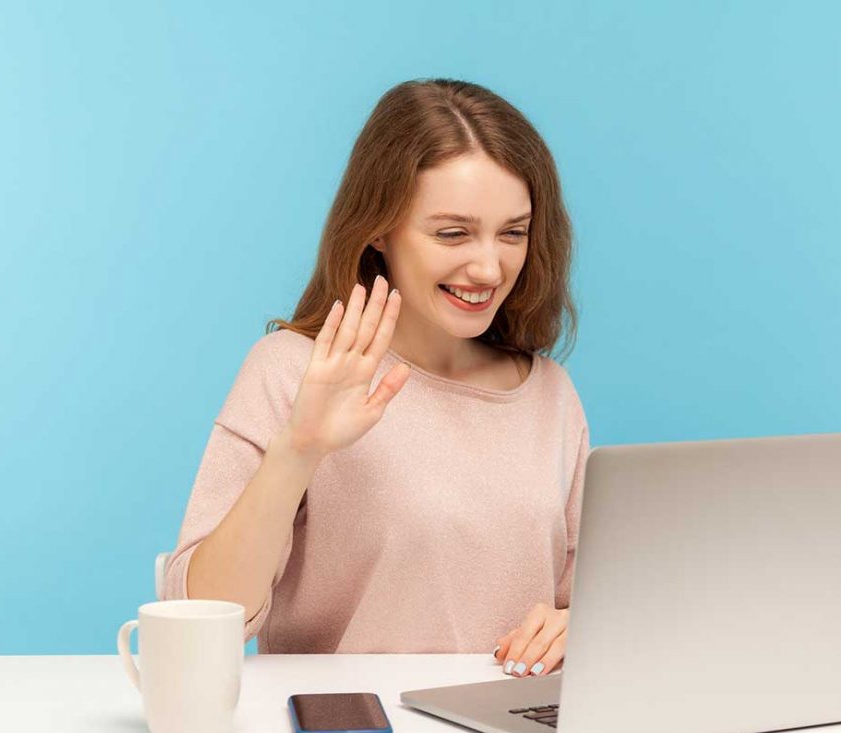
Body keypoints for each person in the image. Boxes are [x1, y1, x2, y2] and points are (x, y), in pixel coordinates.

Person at [162, 78, 589, 681]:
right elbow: (202, 618)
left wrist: (581, 626)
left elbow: (583, 603)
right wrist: (298, 450)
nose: (490, 266)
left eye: (513, 232)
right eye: (452, 232)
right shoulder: (291, 370)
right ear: (378, 230)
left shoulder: (549, 394)